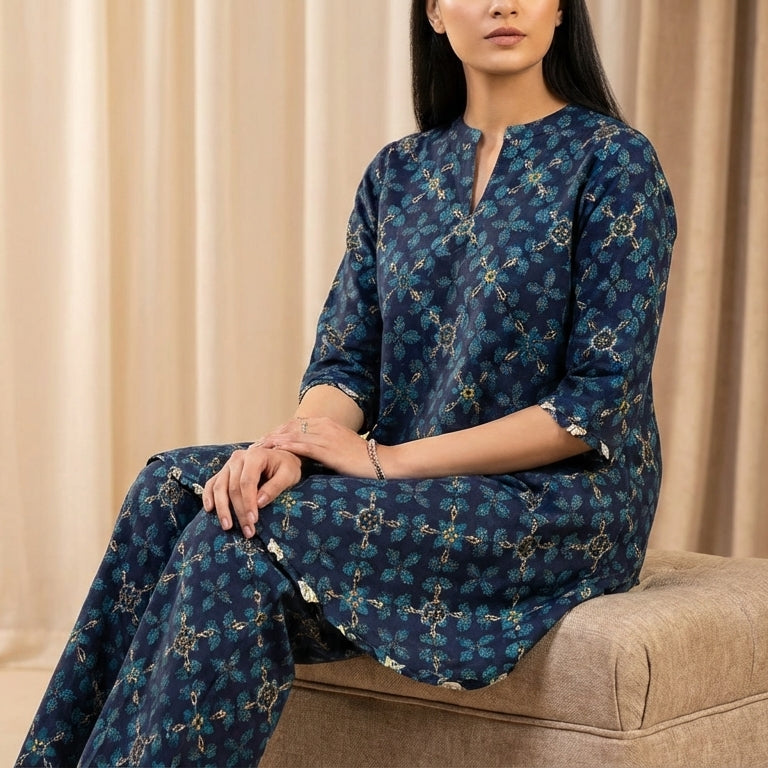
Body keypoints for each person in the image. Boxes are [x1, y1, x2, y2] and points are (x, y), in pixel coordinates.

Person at [17, 0, 676, 765]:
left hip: (563, 501)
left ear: (560, 8)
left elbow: (594, 404)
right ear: (433, 12)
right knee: (172, 488)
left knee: (239, 544)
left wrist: (386, 461)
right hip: (405, 488)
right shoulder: (396, 173)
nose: (504, 3)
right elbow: (344, 362)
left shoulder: (614, 162)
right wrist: (294, 447)